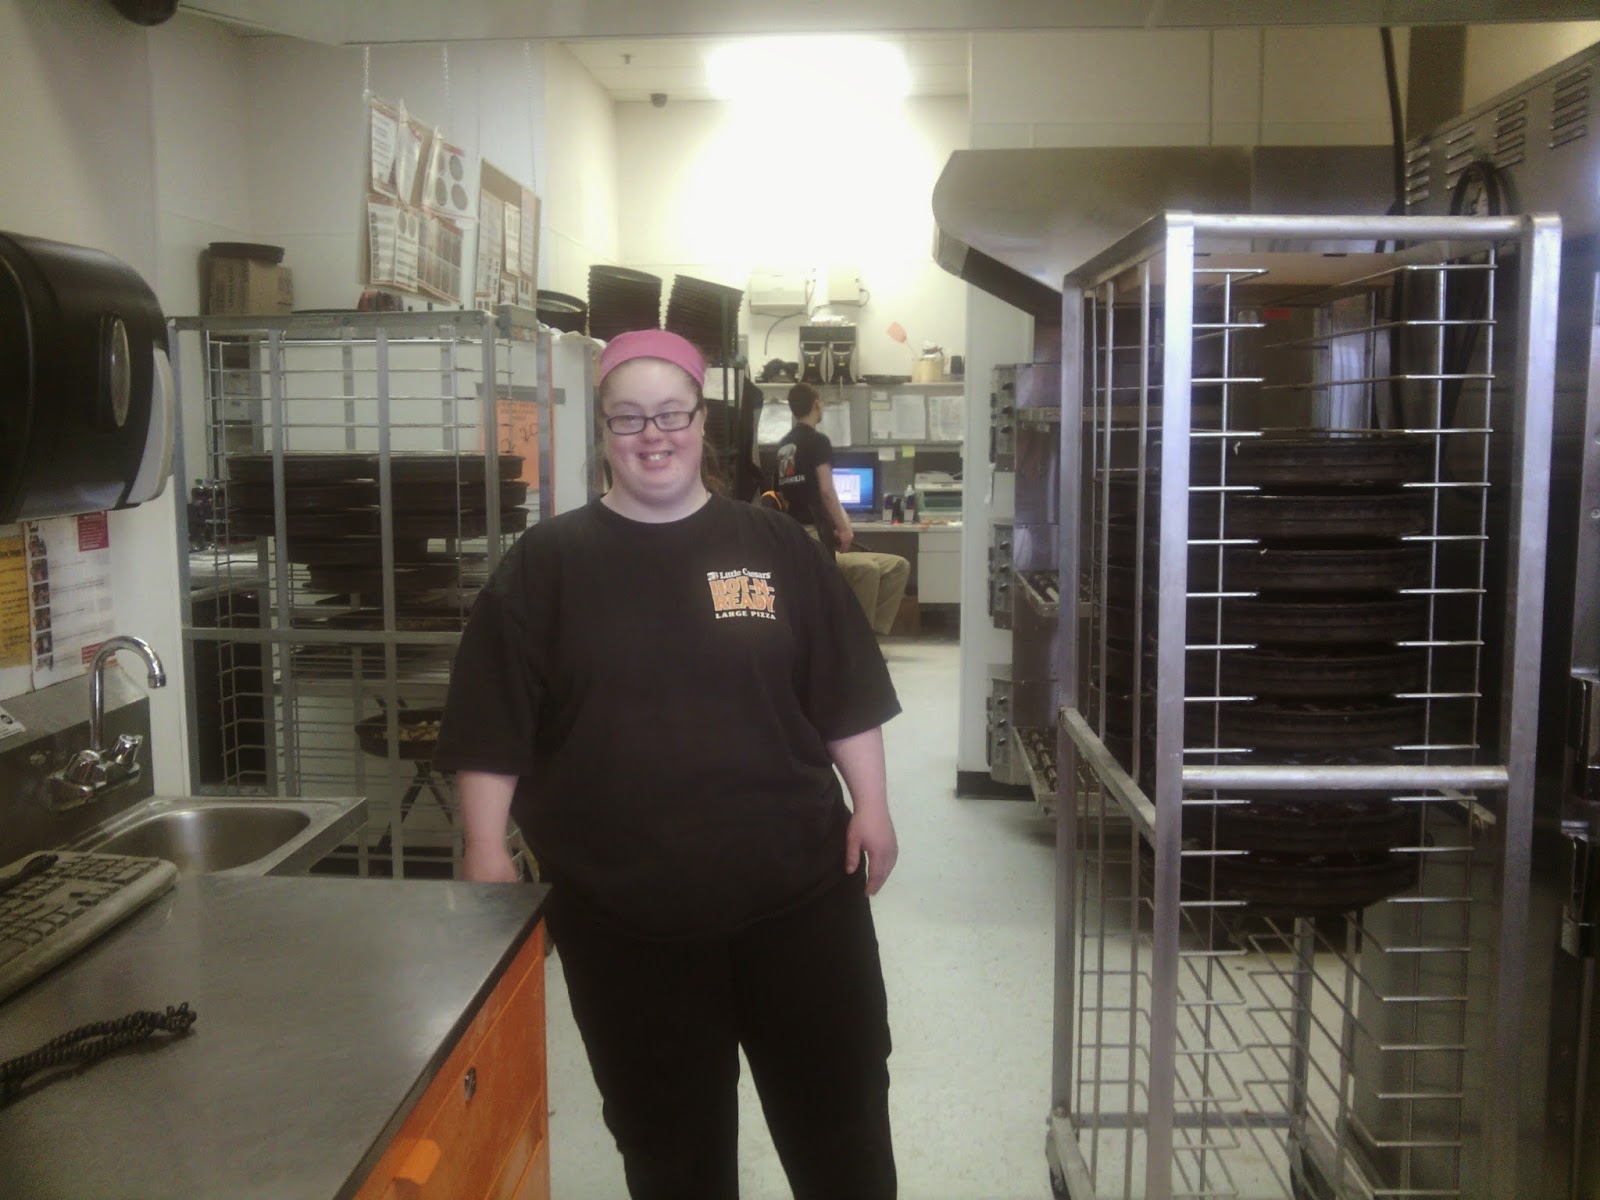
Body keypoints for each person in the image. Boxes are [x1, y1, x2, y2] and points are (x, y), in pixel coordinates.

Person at [433, 329, 901, 1200]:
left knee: (842, 1131)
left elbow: (842, 689)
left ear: (701, 421)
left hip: (799, 899)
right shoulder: (547, 565)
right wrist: (486, 849)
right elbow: (494, 721)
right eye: (629, 418)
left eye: (671, 415)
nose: (653, 435)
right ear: (604, 430)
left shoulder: (776, 547)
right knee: (670, 1153)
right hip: (624, 920)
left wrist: (871, 804)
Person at [773, 382, 911, 637]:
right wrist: (845, 528)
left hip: (802, 536)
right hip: (812, 539)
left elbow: (785, 495)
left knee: (898, 566)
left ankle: (873, 637)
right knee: (868, 570)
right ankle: (858, 641)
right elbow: (827, 490)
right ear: (816, 404)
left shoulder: (783, 446)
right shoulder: (817, 441)